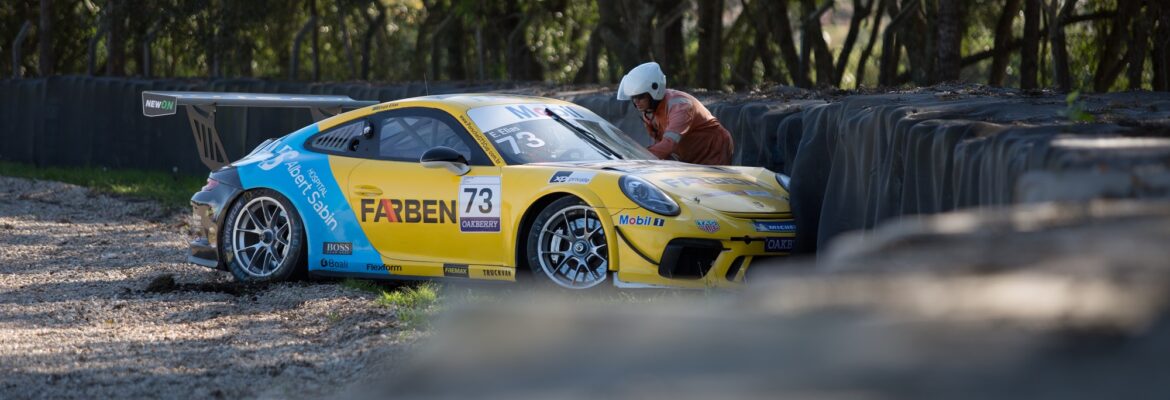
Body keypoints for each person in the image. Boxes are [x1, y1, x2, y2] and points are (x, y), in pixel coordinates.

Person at [616, 62, 734, 165]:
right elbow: (660, 145)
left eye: (640, 96)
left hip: (713, 150)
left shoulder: (680, 106)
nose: (636, 102)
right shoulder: (649, 111)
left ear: (654, 92)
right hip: (690, 152)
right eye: (633, 97)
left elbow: (668, 144)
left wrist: (636, 158)